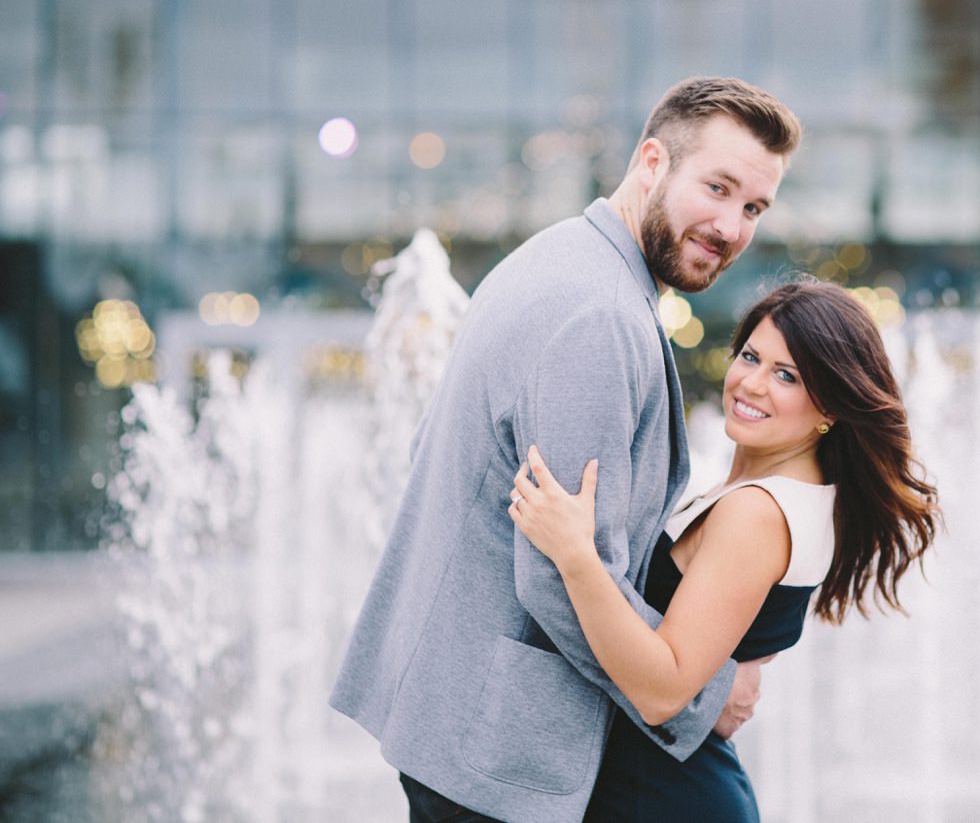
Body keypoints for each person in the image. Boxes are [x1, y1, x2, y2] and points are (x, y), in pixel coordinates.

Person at [329, 77, 803, 823]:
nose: (731, 225)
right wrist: (704, 695)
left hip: (463, 720)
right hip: (493, 750)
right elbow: (555, 575)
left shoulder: (562, 260)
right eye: (716, 187)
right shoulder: (596, 315)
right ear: (652, 162)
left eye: (753, 207)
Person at [508, 279, 941, 821]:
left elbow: (663, 690)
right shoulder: (778, 496)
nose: (752, 384)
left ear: (830, 406)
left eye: (786, 376)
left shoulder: (756, 513)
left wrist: (575, 556)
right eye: (751, 357)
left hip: (665, 798)